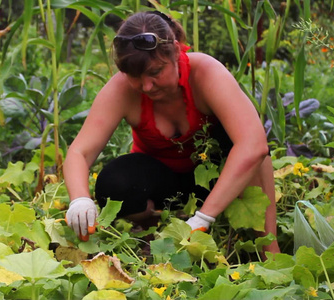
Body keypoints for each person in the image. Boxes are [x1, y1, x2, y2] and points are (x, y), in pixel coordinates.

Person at [63, 11, 280, 254]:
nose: (146, 86)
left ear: (176, 51)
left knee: (249, 149)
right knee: (114, 182)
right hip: (166, 184)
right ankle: (153, 238)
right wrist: (79, 199)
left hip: (217, 177)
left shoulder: (205, 72)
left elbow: (254, 145)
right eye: (135, 76)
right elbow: (79, 152)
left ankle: (269, 250)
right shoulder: (121, 89)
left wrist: (204, 218)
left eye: (155, 72)